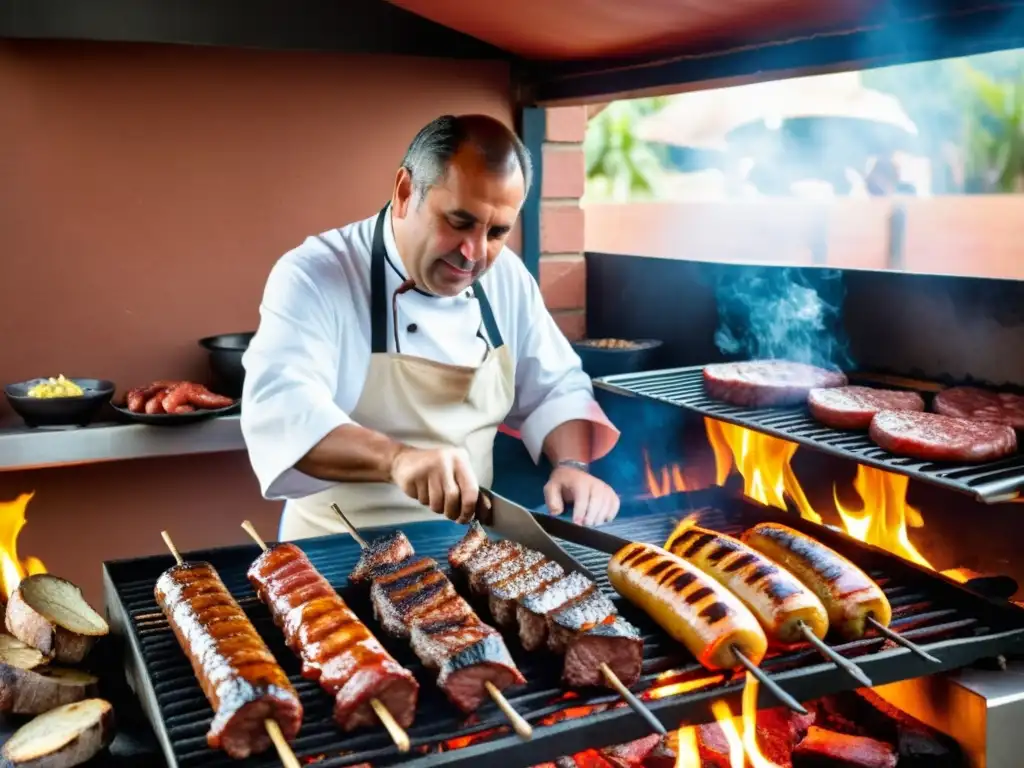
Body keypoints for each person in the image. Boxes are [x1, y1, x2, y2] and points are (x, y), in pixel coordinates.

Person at [241, 114, 622, 540]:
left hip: (467, 551)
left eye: (497, 232)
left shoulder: (506, 277)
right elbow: (284, 412)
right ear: (405, 192)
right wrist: (397, 460)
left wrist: (572, 465)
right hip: (333, 553)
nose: (473, 253)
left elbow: (556, 387)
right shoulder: (315, 274)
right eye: (459, 222)